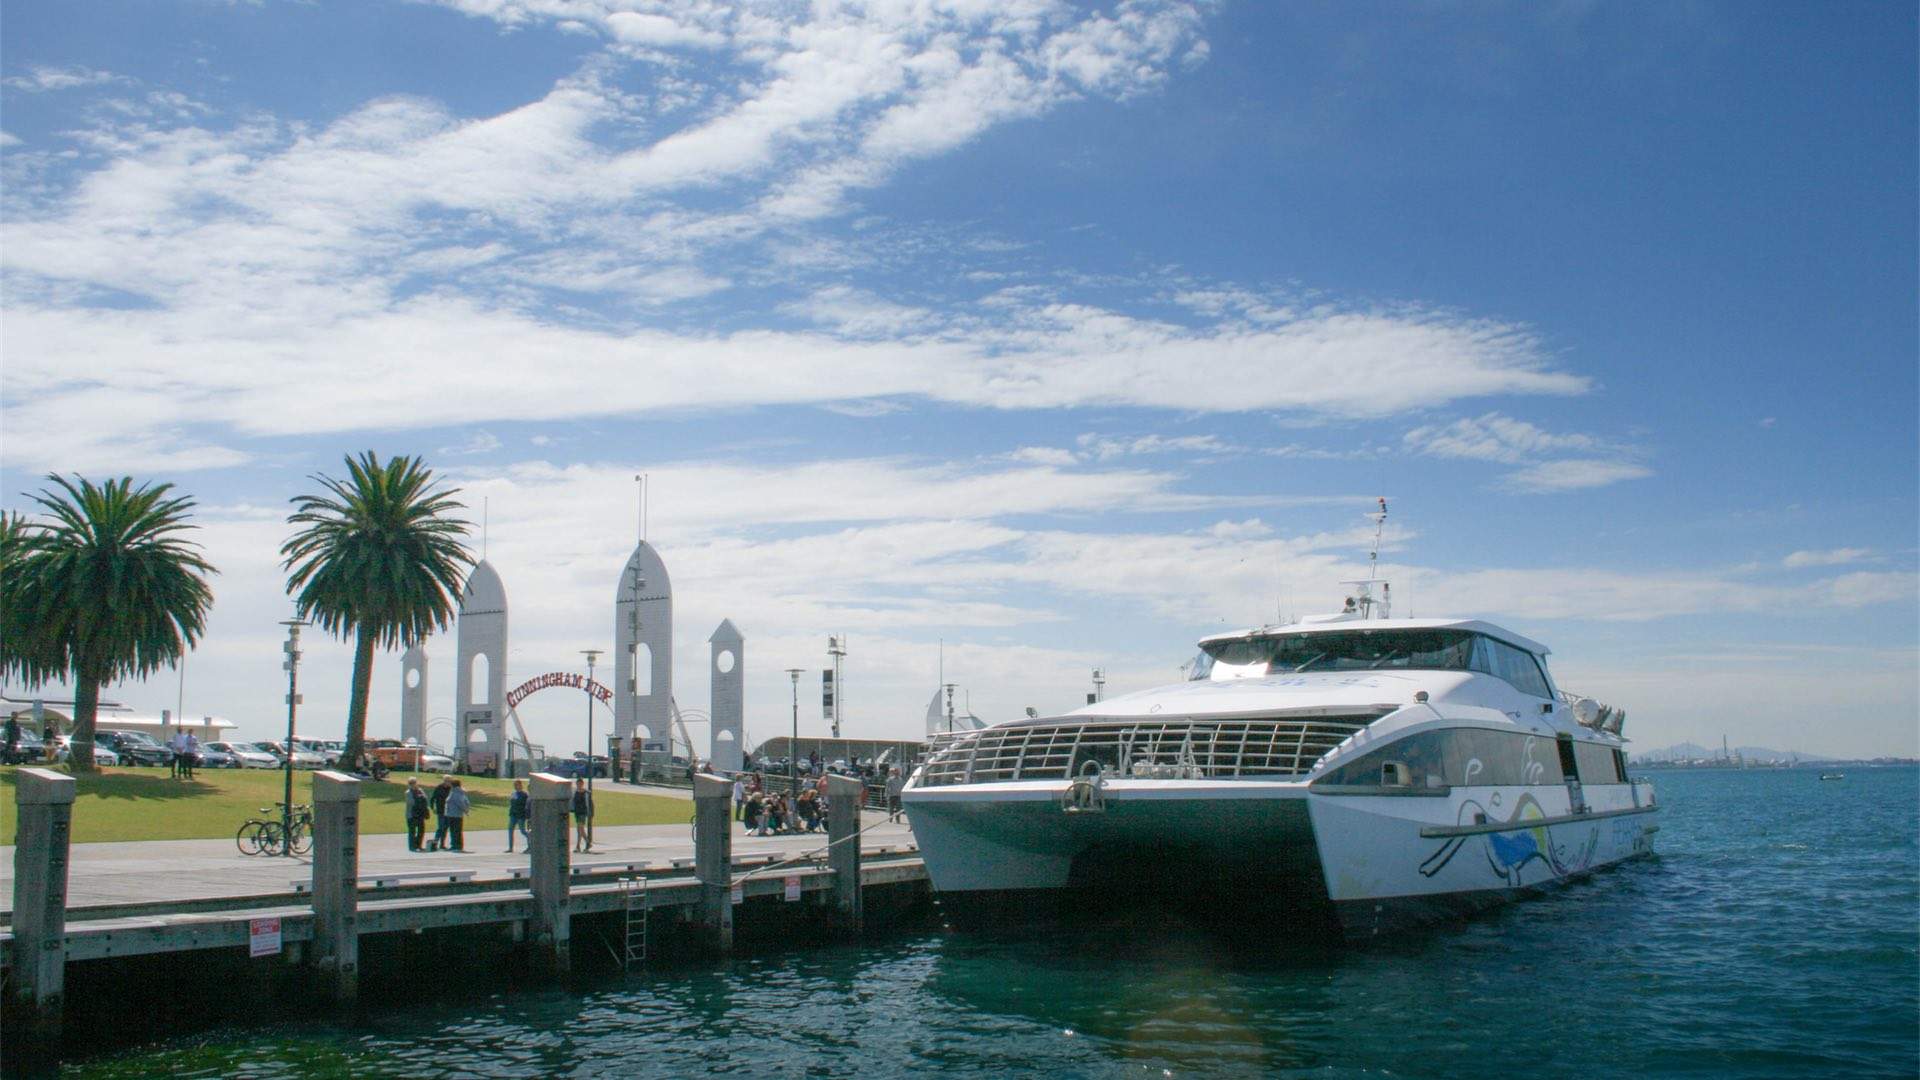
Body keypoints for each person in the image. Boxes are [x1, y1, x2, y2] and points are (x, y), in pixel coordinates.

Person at [403, 778, 431, 852]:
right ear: (409, 785)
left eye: (414, 783)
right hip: (411, 815)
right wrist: (420, 800)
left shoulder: (420, 790)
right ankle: (412, 846)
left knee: (421, 830)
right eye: (411, 783)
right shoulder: (408, 792)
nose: (413, 785)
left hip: (420, 814)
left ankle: (418, 845)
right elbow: (411, 802)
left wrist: (421, 800)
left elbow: (426, 800)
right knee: (412, 831)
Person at [443, 779, 470, 852]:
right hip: (452, 814)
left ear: (453, 785)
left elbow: (460, 803)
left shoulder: (456, 792)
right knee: (453, 831)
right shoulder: (455, 792)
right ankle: (454, 845)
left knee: (456, 831)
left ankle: (457, 846)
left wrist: (466, 811)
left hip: (455, 815)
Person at [505, 779, 531, 852]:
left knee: (522, 831)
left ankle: (530, 843)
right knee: (510, 830)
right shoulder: (513, 794)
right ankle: (510, 848)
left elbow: (525, 805)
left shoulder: (524, 794)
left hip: (520, 815)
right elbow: (511, 803)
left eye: (517, 785)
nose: (515, 787)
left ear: (520, 785)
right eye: (514, 785)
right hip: (513, 815)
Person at [429, 776, 453, 851]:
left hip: (448, 811)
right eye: (448, 781)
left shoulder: (451, 789)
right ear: (444, 781)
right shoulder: (438, 788)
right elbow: (432, 798)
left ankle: (442, 844)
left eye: (450, 781)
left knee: (445, 828)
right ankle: (434, 843)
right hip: (440, 810)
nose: (449, 783)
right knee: (441, 827)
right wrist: (432, 808)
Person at [571, 778, 594, 852]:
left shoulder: (586, 793)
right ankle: (579, 846)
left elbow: (590, 803)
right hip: (577, 812)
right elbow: (572, 802)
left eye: (580, 784)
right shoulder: (575, 792)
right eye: (578, 784)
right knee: (579, 830)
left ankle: (586, 843)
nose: (579, 785)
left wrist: (590, 812)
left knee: (580, 829)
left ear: (582, 784)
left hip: (583, 812)